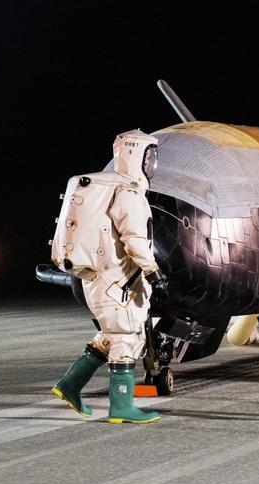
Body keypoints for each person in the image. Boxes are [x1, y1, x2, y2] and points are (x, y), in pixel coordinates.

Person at [50, 129, 168, 424]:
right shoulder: (127, 192)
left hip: (101, 279)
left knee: (109, 336)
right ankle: (122, 407)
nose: (152, 163)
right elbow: (134, 239)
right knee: (126, 338)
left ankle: (70, 385)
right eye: (149, 157)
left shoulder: (108, 188)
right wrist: (153, 271)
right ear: (135, 157)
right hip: (118, 281)